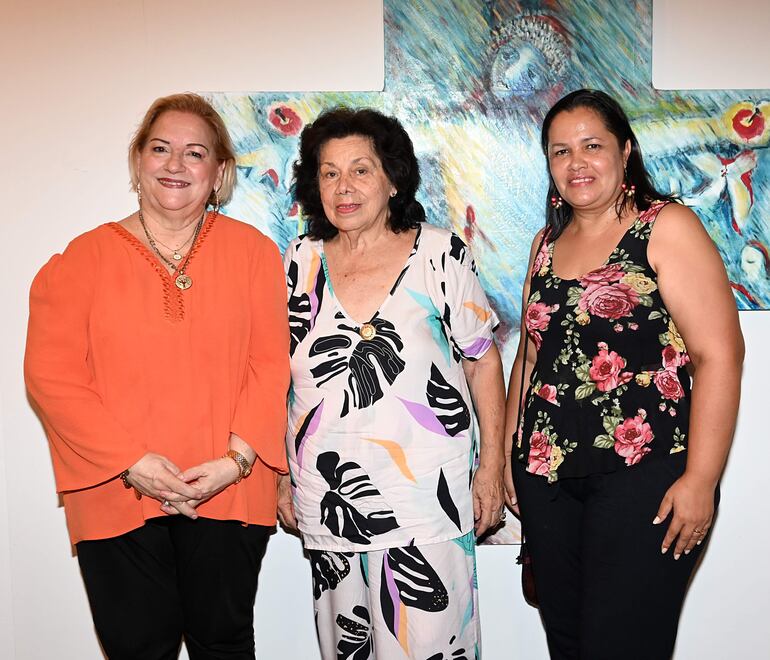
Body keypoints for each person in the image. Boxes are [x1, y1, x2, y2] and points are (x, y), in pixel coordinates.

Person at [24, 93, 290, 660]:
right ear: (137, 160)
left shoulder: (255, 254)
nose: (175, 165)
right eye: (161, 149)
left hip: (228, 488)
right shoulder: (81, 260)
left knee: (223, 646)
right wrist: (131, 463)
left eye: (195, 153)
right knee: (138, 649)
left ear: (218, 173)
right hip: (114, 489)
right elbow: (52, 376)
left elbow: (270, 365)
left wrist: (235, 462)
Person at [504, 88, 744, 659]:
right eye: (560, 151)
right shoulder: (545, 245)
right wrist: (513, 455)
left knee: (625, 646)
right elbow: (532, 357)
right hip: (547, 478)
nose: (576, 162)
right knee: (568, 644)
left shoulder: (666, 227)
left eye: (592, 145)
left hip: (646, 478)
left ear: (626, 150)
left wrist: (701, 481)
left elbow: (721, 355)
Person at [278, 107, 506, 659]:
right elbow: (282, 376)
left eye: (360, 169)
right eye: (328, 172)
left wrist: (492, 467)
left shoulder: (440, 252)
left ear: (393, 178)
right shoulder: (301, 260)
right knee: (347, 651)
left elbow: (483, 361)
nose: (343, 186)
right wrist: (280, 474)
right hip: (330, 502)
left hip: (427, 500)